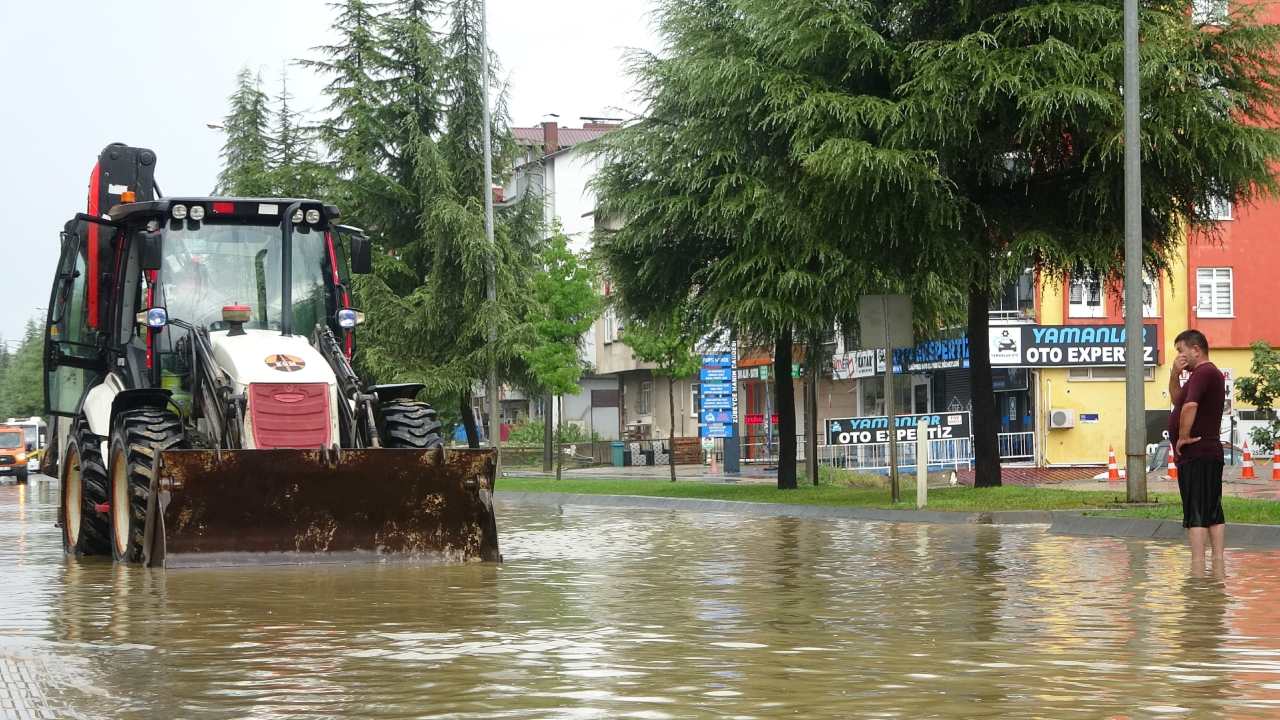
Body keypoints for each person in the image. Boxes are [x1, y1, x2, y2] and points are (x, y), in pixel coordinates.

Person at [1168, 329, 1227, 576]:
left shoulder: (1204, 373)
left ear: (1196, 349)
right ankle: (1217, 566)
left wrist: (1182, 438)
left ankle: (1197, 569)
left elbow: (1189, 407)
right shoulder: (1201, 376)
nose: (1180, 356)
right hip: (1208, 451)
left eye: (1181, 350)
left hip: (1198, 452)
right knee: (1212, 509)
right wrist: (1174, 374)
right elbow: (1178, 400)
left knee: (1196, 511)